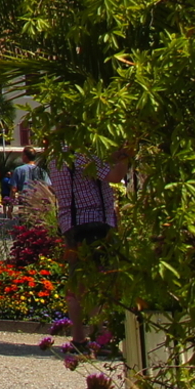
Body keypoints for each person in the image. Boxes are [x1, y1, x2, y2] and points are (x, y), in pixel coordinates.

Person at [50, 150, 129, 351]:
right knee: (98, 283)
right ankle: (98, 338)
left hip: (71, 222)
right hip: (95, 222)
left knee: (77, 284)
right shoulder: (83, 154)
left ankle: (78, 337)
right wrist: (124, 156)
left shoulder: (56, 155)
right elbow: (115, 176)